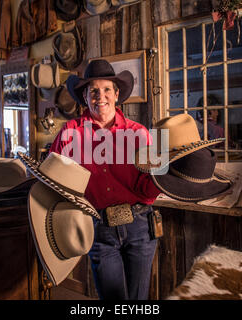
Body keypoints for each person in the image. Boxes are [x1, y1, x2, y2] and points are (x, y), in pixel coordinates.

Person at [48, 59, 161, 300]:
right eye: (94, 91)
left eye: (107, 89)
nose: (101, 96)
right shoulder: (69, 134)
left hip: (140, 225)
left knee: (138, 299)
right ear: (85, 97)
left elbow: (153, 186)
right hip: (99, 229)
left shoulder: (140, 133)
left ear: (117, 94)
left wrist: (166, 170)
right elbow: (52, 180)